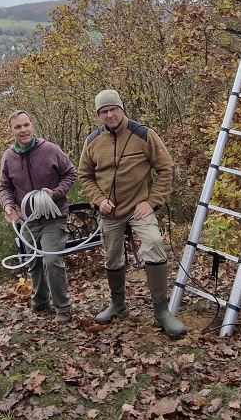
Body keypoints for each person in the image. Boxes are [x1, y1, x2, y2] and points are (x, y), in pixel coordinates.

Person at [77, 89, 187, 339]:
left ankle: (161, 312)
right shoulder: (92, 141)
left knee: (154, 244)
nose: (109, 114)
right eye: (103, 111)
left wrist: (153, 202)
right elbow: (85, 176)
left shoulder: (144, 134)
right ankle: (118, 304)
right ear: (98, 115)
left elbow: (166, 169)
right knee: (112, 256)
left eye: (113, 109)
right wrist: (97, 200)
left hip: (139, 207)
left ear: (121, 108)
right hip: (109, 212)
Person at [0, 109, 78, 325]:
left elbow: (71, 173)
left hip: (54, 216)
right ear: (11, 131)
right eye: (18, 127)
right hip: (28, 220)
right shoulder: (8, 157)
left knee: (51, 260)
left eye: (26, 125)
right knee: (34, 262)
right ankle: (41, 301)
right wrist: (8, 206)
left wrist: (55, 193)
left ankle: (63, 308)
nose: (23, 130)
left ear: (32, 126)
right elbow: (4, 187)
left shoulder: (50, 150)